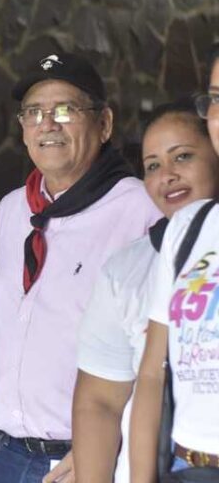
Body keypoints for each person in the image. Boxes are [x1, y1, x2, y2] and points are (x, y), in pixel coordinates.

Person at [0, 52, 161, 483]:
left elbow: (163, 354)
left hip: (86, 459)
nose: (47, 124)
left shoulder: (142, 210)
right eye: (34, 112)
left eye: (65, 110)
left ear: (104, 124)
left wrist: (103, 445)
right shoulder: (10, 211)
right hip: (7, 454)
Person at [73, 100, 219, 482]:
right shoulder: (135, 264)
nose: (166, 175)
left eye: (182, 156)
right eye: (152, 166)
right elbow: (104, 400)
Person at [130, 46, 219, 482]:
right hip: (188, 468)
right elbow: (151, 375)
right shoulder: (188, 228)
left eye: (182, 155)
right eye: (216, 98)